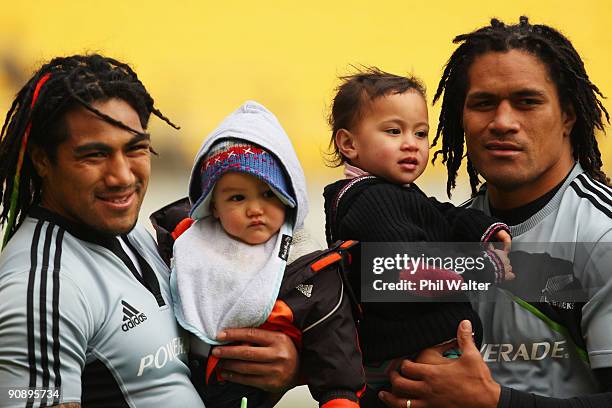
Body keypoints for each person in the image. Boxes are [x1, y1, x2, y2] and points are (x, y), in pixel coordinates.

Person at [0, 55, 296, 408]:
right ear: (43, 160)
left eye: (135, 148)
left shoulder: (136, 237)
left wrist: (282, 372)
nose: (122, 176)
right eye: (95, 155)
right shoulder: (42, 289)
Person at [378, 17, 612, 408]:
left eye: (527, 101)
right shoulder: (441, 235)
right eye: (484, 103)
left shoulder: (600, 236)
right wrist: (300, 365)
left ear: (568, 115)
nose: (503, 122)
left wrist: (495, 402)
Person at [151, 101, 364, 407]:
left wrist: (338, 399)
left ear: (290, 197)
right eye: (237, 197)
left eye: (269, 193)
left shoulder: (309, 266)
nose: (254, 209)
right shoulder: (179, 246)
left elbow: (334, 341)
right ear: (212, 206)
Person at [322, 68, 513, 407]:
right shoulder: (372, 200)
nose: (411, 144)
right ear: (348, 143)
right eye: (393, 131)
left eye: (421, 133)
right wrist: (480, 270)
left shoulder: (394, 193)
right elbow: (407, 270)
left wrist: (484, 229)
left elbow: (441, 213)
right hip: (408, 360)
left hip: (423, 353)